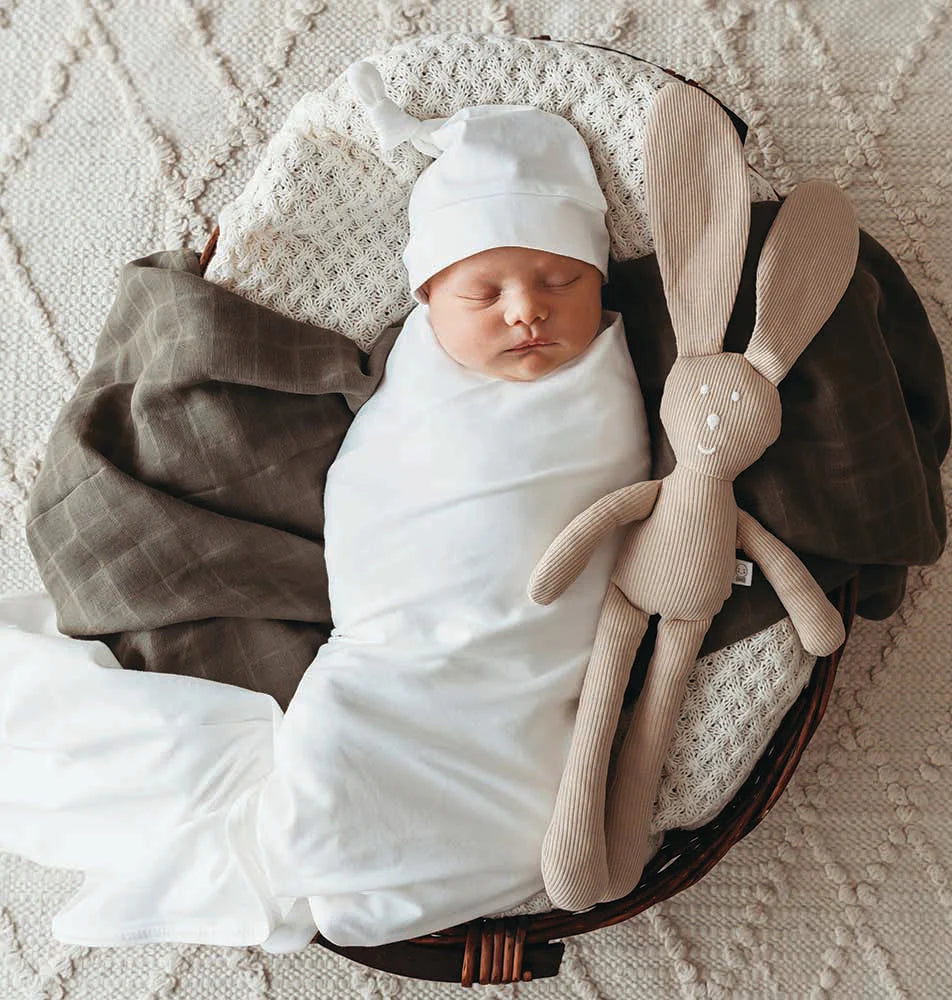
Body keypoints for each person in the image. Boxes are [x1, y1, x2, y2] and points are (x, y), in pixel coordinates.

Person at [0, 62, 650, 952]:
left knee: (516, 787)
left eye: (560, 282)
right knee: (348, 751)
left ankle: (339, 850)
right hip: (402, 653)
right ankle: (331, 845)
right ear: (427, 301)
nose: (527, 312)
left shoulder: (606, 388)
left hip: (523, 667)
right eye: (485, 292)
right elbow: (376, 493)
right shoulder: (418, 382)